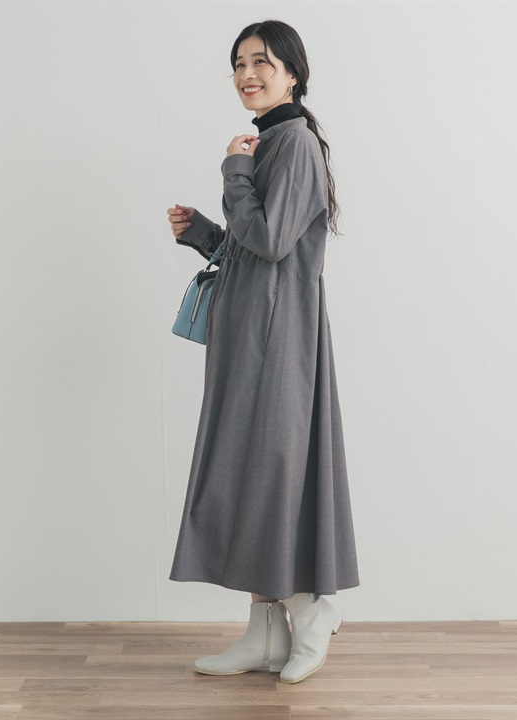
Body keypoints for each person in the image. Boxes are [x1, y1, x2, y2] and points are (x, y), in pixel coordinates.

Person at [166, 20, 360, 684]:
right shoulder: (270, 140)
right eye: (239, 63)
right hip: (249, 332)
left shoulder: (292, 143)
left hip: (277, 339)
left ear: (293, 74)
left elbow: (274, 242)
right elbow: (254, 248)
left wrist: (234, 170)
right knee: (247, 471)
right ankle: (265, 632)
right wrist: (203, 234)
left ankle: (313, 610)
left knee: (272, 472)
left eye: (262, 62)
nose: (248, 74)